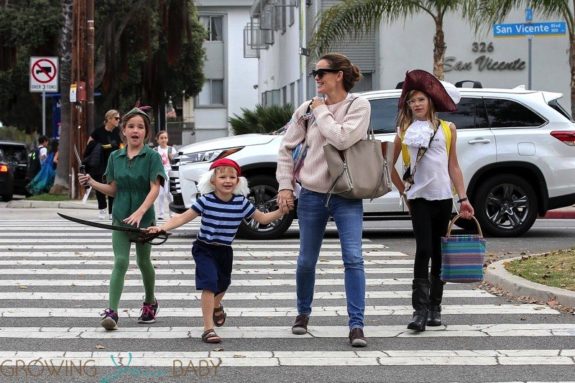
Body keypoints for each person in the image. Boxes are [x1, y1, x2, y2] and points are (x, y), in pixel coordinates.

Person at [275, 53, 371, 347]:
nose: (316, 78)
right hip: (313, 194)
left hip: (346, 193)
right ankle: (302, 313)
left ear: (339, 75)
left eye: (322, 72)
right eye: (314, 73)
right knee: (306, 260)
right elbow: (286, 148)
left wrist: (321, 111)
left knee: (353, 258)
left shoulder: (358, 105)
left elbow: (341, 138)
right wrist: (284, 187)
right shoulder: (305, 109)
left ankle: (356, 325)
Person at [146, 158, 289, 344]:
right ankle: (208, 329)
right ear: (212, 180)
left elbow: (262, 219)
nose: (228, 180)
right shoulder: (205, 201)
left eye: (232, 177)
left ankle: (216, 305)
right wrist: (161, 228)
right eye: (222, 177)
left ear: (238, 181)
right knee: (209, 284)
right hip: (204, 248)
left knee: (223, 283)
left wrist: (281, 212)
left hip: (224, 250)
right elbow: (183, 217)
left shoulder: (241, 203)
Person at [390, 69, 475, 332]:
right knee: (423, 249)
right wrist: (404, 193)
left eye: (421, 100)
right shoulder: (403, 131)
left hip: (442, 199)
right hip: (419, 200)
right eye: (412, 100)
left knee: (439, 253)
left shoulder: (448, 129)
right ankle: (419, 311)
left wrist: (463, 198)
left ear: (431, 102)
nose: (416, 104)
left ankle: (435, 307)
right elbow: (389, 166)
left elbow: (454, 167)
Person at [78, 107, 166, 331]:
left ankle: (149, 302)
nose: (135, 130)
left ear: (146, 133)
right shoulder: (115, 157)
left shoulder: (152, 157)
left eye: (140, 127)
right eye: (130, 126)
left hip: (144, 218)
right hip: (119, 217)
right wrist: (91, 182)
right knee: (120, 262)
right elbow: (113, 189)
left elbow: (155, 188)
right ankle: (112, 311)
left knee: (144, 262)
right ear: (123, 131)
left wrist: (140, 212)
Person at [85, 109, 122, 220]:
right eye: (116, 118)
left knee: (113, 185)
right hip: (100, 163)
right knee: (100, 186)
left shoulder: (117, 131)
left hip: (114, 162)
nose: (118, 120)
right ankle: (102, 208)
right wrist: (102, 146)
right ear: (109, 119)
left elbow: (122, 144)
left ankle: (112, 211)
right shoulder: (98, 131)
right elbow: (89, 144)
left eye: (119, 118)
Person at [153, 130, 175, 219]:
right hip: (159, 173)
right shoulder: (155, 150)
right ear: (157, 140)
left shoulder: (171, 149)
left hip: (169, 173)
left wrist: (171, 157)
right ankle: (161, 214)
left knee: (169, 193)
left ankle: (172, 212)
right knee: (160, 194)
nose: (163, 140)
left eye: (165, 138)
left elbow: (175, 161)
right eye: (161, 138)